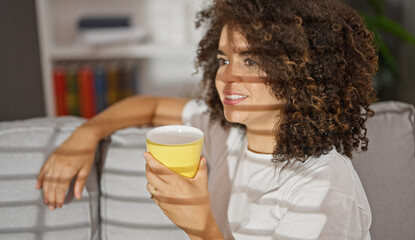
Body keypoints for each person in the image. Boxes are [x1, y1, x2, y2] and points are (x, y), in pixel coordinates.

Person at [35, 0, 378, 239]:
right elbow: (151, 107)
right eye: (224, 59)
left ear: (301, 73)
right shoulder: (226, 130)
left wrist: (201, 228)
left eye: (251, 61)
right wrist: (87, 133)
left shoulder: (325, 187)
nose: (226, 78)